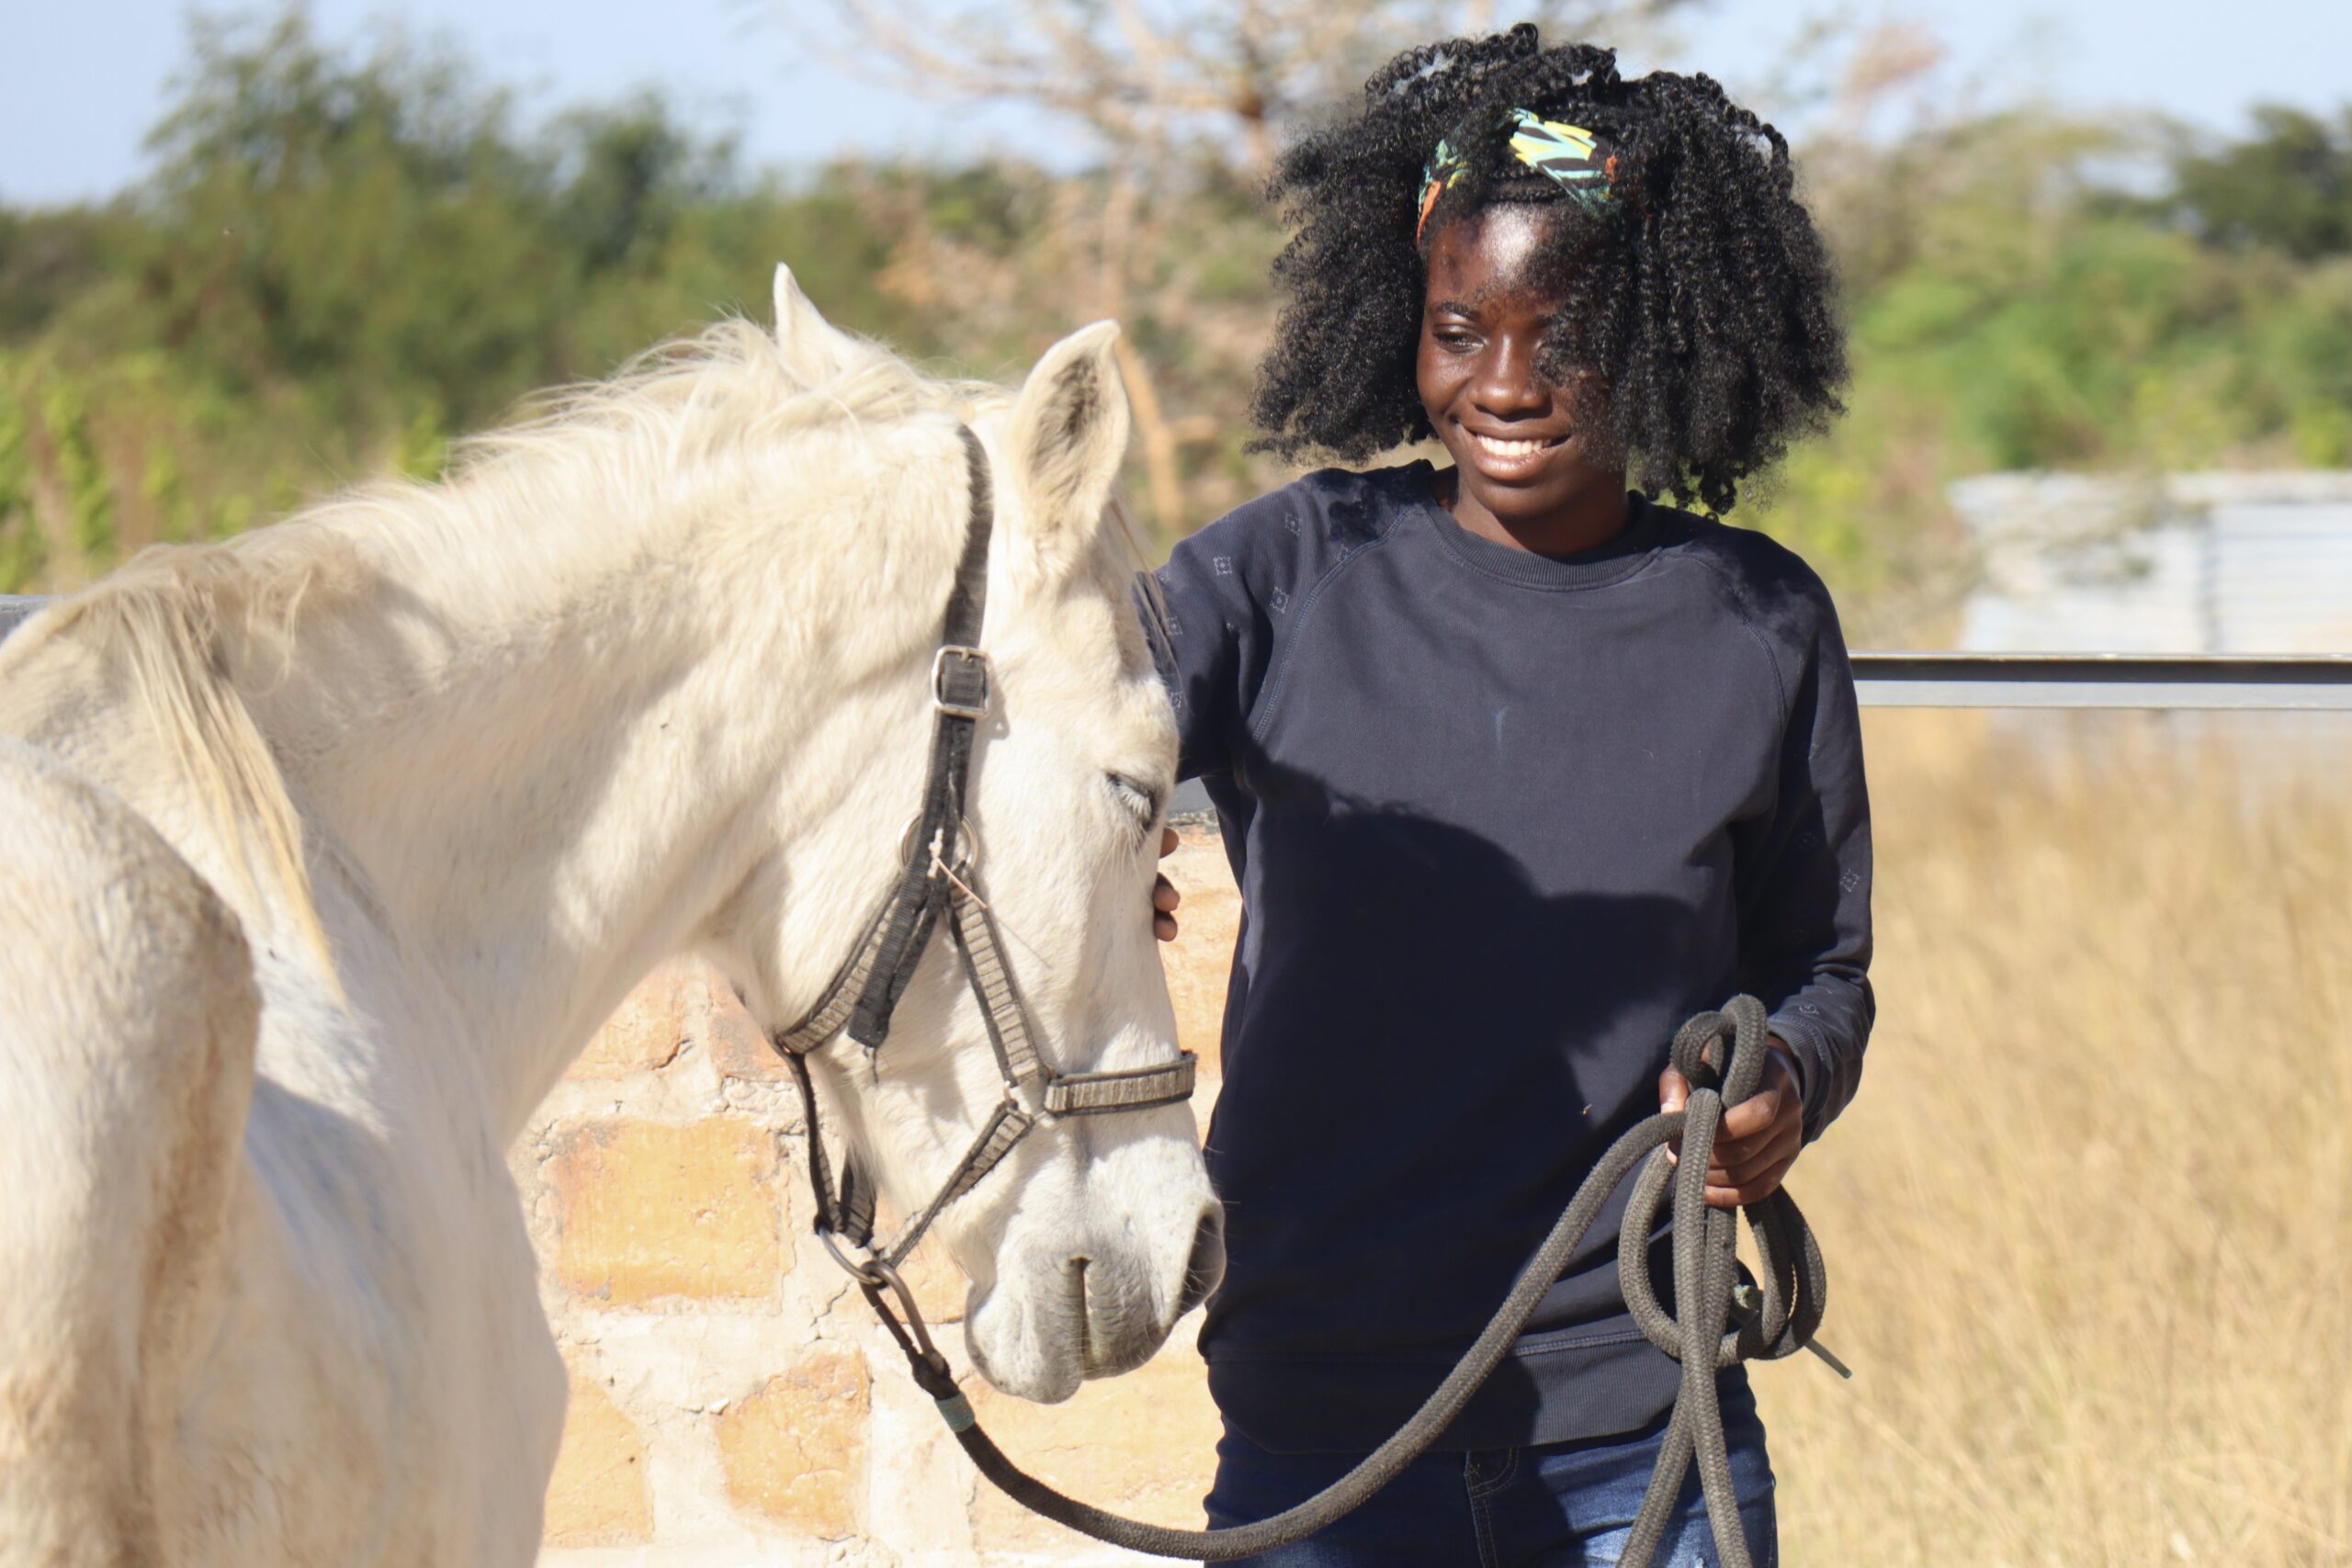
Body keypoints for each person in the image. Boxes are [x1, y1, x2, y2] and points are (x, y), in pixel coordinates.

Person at [1139, 24, 1871, 1567]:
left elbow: (1820, 969)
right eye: (1463, 329)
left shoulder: (1759, 620)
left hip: (1644, 1440)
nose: (1513, 383)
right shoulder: (1287, 573)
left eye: (1574, 334)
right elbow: (1071, 724)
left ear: (1666, 336)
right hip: (1322, 1431)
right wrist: (1079, 853)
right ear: (1407, 326)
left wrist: (1783, 1090)